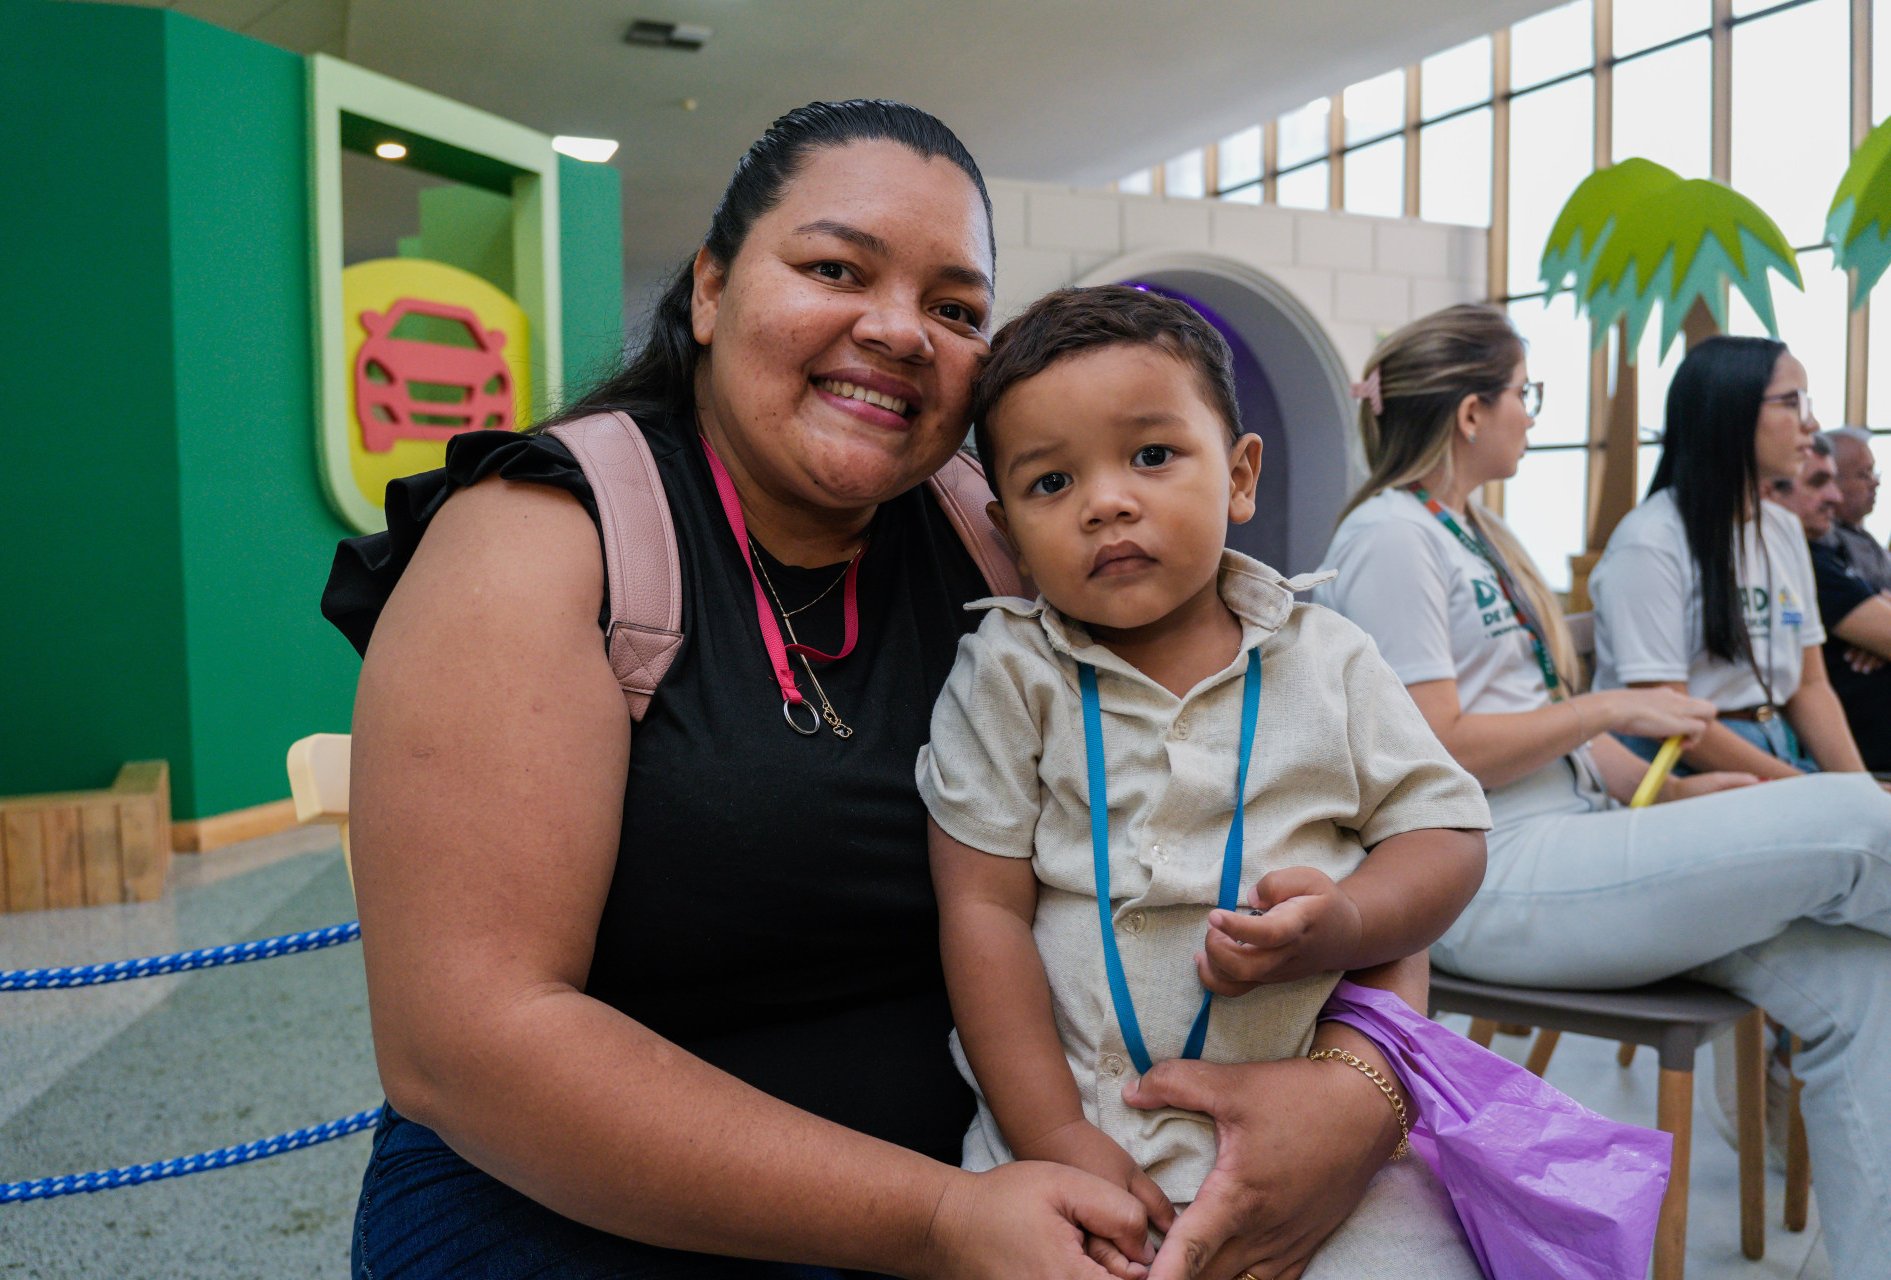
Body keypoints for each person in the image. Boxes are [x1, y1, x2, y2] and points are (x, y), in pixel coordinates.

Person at [322, 101, 1443, 1280]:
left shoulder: (1018, 542)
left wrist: (1362, 1085)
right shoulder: (544, 537)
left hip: (1029, 1177)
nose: (900, 329)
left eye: (956, 308)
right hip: (587, 1216)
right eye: (834, 268)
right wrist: (941, 1220)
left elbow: (1329, 800)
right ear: (709, 289)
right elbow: (466, 1041)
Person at [919, 287, 1492, 1279]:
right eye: (1052, 482)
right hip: (1075, 1137)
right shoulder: (1009, 673)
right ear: (1008, 532)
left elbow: (1445, 832)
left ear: (1239, 476)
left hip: (1320, 1138)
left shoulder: (1331, 659)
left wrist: (1353, 918)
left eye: (1151, 455)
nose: (1107, 501)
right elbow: (982, 911)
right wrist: (1052, 1128)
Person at [1314, 303, 1891, 1280]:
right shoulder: (1388, 536)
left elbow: (1577, 752)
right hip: (1481, 868)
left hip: (1568, 833)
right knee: (1858, 819)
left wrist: (1689, 791)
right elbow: (1436, 746)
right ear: (1469, 411)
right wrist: (1602, 709)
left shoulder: (1475, 532)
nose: (1531, 416)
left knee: (1860, 988)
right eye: (1523, 395)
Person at [1588, 336, 1871, 776]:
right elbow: (1672, 721)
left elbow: (1810, 687)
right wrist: (1812, 794)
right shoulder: (1651, 542)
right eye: (1792, 403)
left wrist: (1855, 791)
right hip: (1684, 766)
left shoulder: (1781, 528)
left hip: (1777, 746)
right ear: (1730, 412)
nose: (1811, 423)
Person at [1772, 435, 1891, 771]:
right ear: (1769, 491)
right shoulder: (1806, 563)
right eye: (1818, 482)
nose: (1833, 498)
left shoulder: (1833, 552)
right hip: (1861, 765)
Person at [1826, 424, 1891, 592]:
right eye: (1864, 474)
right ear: (1831, 481)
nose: (1875, 482)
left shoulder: (1860, 534)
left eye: (1874, 471)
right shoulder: (1828, 543)